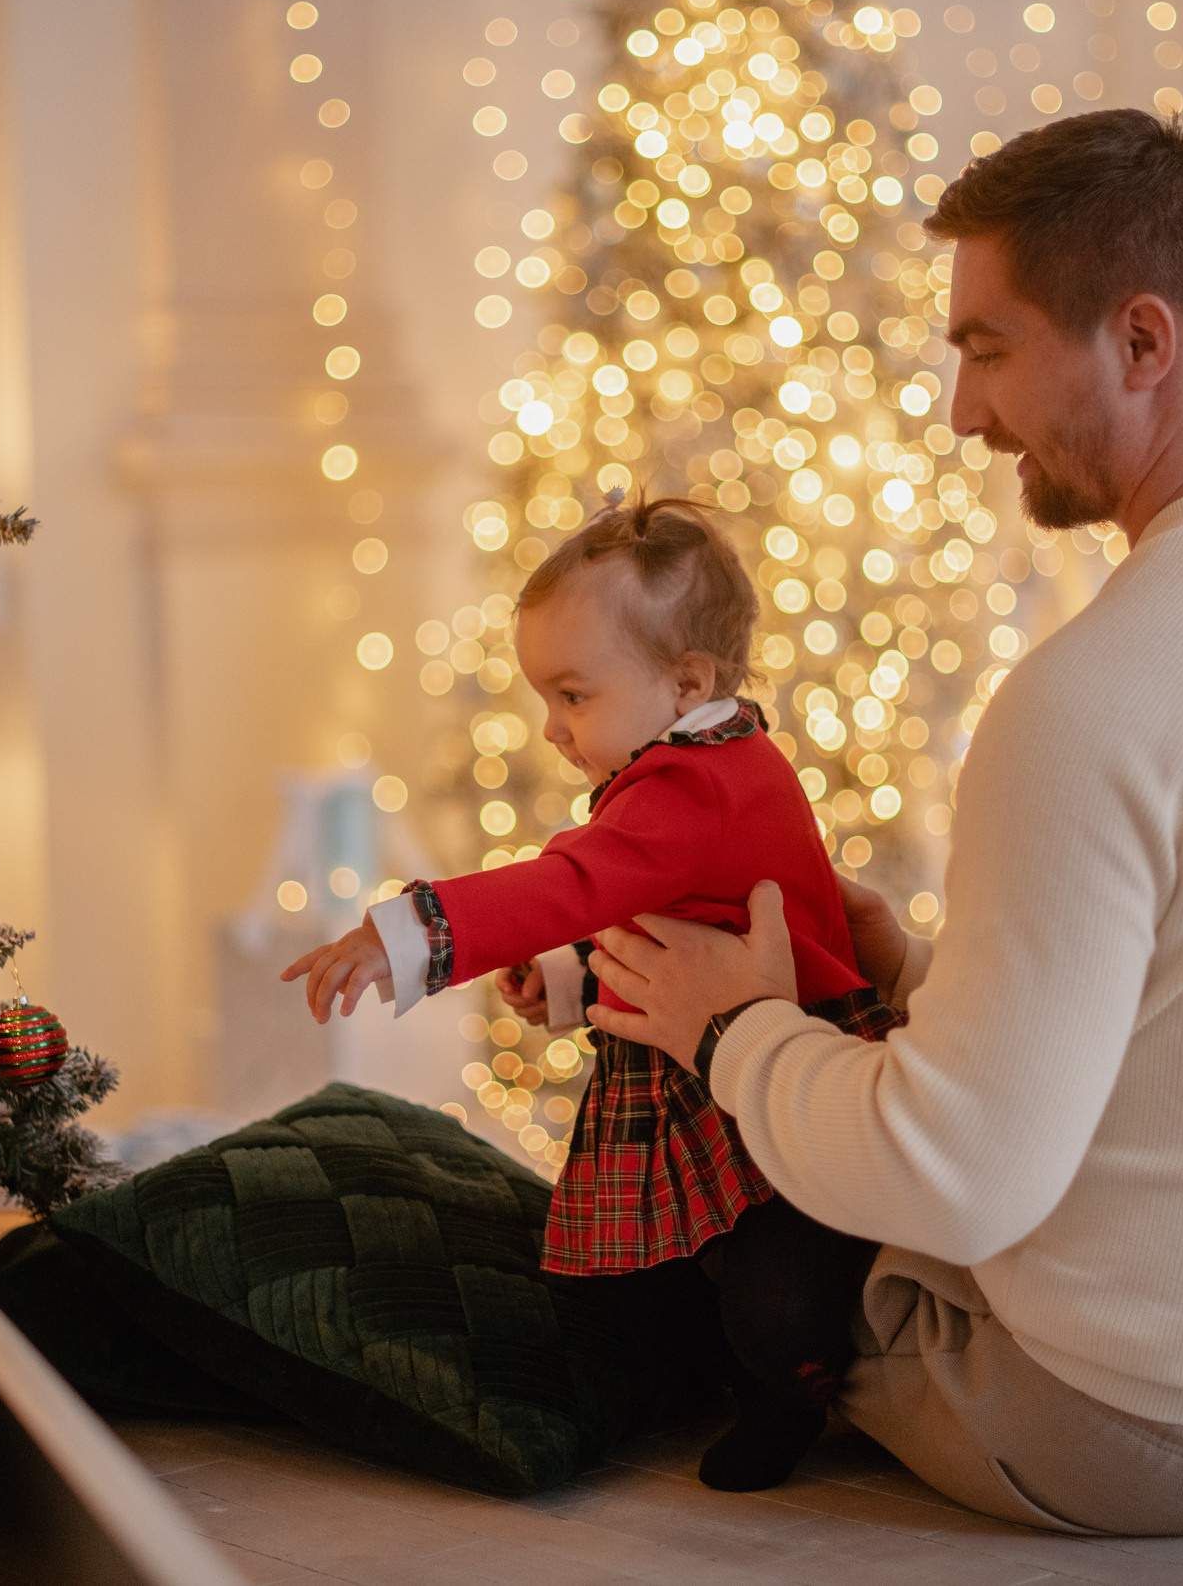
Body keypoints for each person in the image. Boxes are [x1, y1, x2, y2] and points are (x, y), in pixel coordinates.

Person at [582, 109, 1183, 1537]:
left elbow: (958, 1176)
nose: (962, 412)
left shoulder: (1089, 692)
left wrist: (735, 1032)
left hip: (1144, 1426)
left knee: (758, 1263)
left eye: (986, 348)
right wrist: (918, 976)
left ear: (1143, 341)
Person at [282, 497, 903, 1491]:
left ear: (685, 680)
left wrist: (402, 935)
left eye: (572, 696)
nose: (553, 728)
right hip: (704, 1064)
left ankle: (795, 1387)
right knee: (630, 1286)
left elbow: (577, 881)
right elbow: (667, 915)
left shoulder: (699, 782)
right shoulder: (692, 763)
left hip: (782, 1072)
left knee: (777, 1287)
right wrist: (568, 979)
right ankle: (707, 1355)